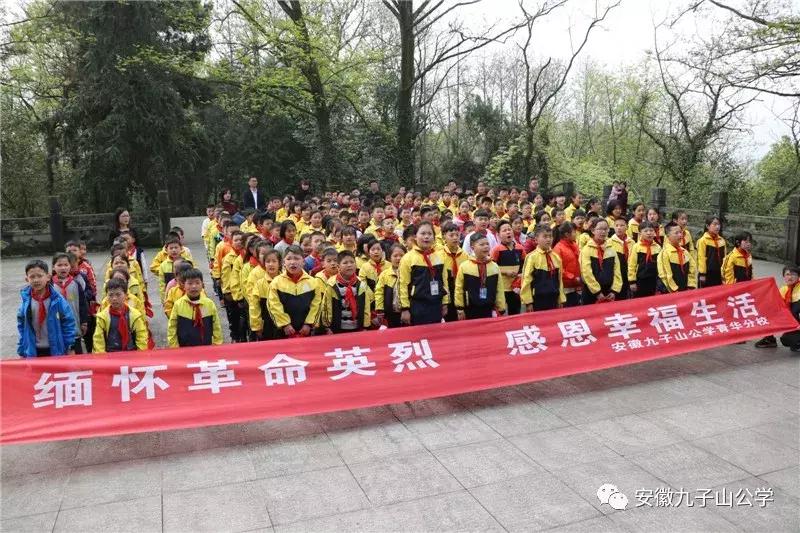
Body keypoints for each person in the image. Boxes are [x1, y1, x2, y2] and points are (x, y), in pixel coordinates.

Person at [17, 259, 77, 357]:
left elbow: (68, 323)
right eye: (32, 277)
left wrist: (70, 347)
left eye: (40, 276)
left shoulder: (58, 300)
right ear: (27, 279)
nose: (36, 280)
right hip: (33, 351)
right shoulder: (26, 301)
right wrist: (22, 349)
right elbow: (21, 326)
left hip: (56, 350)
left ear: (48, 277)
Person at [398, 221, 449, 325]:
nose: (426, 237)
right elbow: (402, 285)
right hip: (417, 305)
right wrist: (405, 309)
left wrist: (445, 303)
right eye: (423, 233)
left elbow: (444, 282)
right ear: (415, 237)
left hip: (436, 304)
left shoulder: (440, 256)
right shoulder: (408, 258)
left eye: (430, 234)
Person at [266, 245, 322, 337]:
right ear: (283, 262)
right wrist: (285, 324)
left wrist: (308, 324)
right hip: (283, 331)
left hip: (306, 330)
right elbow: (273, 305)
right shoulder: (276, 283)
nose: (292, 262)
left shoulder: (313, 282)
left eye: (296, 258)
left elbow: (316, 305)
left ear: (303, 262)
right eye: (288, 259)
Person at [455, 233, 506, 320]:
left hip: (489, 309)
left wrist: (501, 308)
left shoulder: (494, 266)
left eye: (487, 244)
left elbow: (499, 288)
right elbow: (459, 288)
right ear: (472, 247)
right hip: (470, 309)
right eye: (482, 244)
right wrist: (460, 308)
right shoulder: (464, 266)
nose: (486, 247)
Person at [168, 269, 223, 347]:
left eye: (197, 283)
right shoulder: (178, 305)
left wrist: (217, 345)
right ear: (184, 286)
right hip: (184, 348)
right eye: (190, 283)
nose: (194, 286)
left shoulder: (209, 304)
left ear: (202, 285)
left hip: (206, 347)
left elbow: (216, 327)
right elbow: (172, 328)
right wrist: (174, 347)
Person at [322, 250, 373, 334]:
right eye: (345, 263)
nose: (349, 265)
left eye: (352, 262)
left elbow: (366, 306)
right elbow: (327, 307)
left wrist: (366, 326)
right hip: (338, 327)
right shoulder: (332, 284)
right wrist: (327, 327)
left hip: (357, 327)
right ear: (338, 266)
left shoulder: (361, 284)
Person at [93, 278, 149, 353]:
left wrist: (140, 356)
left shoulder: (135, 315)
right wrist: (102, 358)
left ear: (126, 295)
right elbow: (98, 341)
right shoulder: (102, 317)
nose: (114, 298)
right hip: (110, 355)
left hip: (132, 354)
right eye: (110, 295)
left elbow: (141, 339)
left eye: (118, 294)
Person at [754, 265, 800, 352]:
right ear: (784, 276)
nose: (790, 277)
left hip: (797, 322)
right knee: (766, 311)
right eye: (787, 274)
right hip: (791, 321)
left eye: (793, 274)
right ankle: (769, 339)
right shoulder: (784, 289)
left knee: (789, 340)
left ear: (798, 276)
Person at [521, 224, 565, 311]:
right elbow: (526, 280)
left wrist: (561, 298)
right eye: (545, 236)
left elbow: (559, 280)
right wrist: (528, 302)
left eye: (550, 236)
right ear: (536, 239)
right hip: (537, 299)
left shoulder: (556, 257)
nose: (548, 239)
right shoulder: (531, 257)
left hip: (553, 298)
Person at [51, 252, 88, 353]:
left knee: (77, 353)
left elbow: (82, 304)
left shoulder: (76, 284)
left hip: (75, 326)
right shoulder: (50, 286)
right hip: (56, 328)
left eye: (66, 265)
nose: (63, 268)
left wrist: (84, 322)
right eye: (59, 265)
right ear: (53, 267)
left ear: (70, 266)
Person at [580, 219, 622, 304]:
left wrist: (614, 290)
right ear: (593, 230)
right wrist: (597, 292)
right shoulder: (586, 250)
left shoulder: (611, 249)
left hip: (609, 292)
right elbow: (586, 273)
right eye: (600, 229)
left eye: (606, 229)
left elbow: (617, 271)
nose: (603, 232)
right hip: (591, 292)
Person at [491, 220, 525, 315]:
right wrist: (505, 272)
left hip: (515, 288)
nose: (508, 232)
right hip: (502, 288)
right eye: (504, 230)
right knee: (501, 312)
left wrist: (521, 274)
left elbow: (524, 264)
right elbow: (492, 267)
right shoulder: (496, 250)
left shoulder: (520, 248)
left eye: (509, 229)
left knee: (515, 312)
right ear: (498, 235)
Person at [248, 248, 282, 341]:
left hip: (285, 324)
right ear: (264, 264)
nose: (271, 264)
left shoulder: (286, 282)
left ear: (280, 263)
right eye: (268, 261)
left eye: (274, 261)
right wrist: (257, 326)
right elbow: (254, 306)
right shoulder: (259, 284)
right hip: (267, 323)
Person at [440, 222, 468, 322]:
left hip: (461, 290)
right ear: (444, 236)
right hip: (447, 290)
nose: (455, 238)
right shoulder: (440, 254)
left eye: (457, 235)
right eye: (451, 235)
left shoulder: (465, 255)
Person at [657, 223, 697, 293]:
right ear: (668, 236)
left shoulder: (684, 252)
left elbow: (692, 269)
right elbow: (665, 275)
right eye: (676, 233)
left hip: (686, 289)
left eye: (680, 232)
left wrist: (691, 285)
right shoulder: (664, 254)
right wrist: (674, 290)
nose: (680, 235)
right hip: (672, 292)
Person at [221, 230, 246, 342]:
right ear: (231, 242)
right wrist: (227, 292)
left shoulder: (246, 256)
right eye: (236, 240)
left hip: (242, 291)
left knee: (243, 318)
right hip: (231, 293)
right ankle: (235, 337)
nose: (239, 242)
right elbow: (225, 276)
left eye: (241, 240)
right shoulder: (228, 258)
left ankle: (243, 337)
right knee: (234, 317)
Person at [375, 243, 406, 328]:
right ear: (389, 258)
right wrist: (380, 309)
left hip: (407, 312)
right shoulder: (384, 274)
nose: (398, 258)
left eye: (401, 255)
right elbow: (379, 292)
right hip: (391, 313)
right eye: (395, 256)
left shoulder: (409, 272)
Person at [628, 221, 661, 298]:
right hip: (640, 280)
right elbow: (631, 265)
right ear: (640, 234)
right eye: (645, 231)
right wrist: (632, 281)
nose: (649, 233)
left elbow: (660, 265)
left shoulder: (658, 247)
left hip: (653, 280)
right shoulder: (636, 247)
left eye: (651, 230)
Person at [553, 222, 582, 307]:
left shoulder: (574, 245)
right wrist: (573, 278)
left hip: (577, 285)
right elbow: (559, 269)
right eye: (574, 232)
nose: (576, 234)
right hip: (566, 288)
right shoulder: (558, 248)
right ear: (567, 234)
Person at [696, 215, 727, 288]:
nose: (717, 227)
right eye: (714, 224)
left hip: (719, 273)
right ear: (707, 226)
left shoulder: (722, 240)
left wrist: (724, 272)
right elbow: (701, 258)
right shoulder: (703, 241)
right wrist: (702, 274)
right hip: (707, 273)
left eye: (718, 224)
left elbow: (725, 258)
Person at [609, 218, 631, 299]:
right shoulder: (609, 242)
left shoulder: (631, 242)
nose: (619, 228)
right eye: (616, 225)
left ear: (627, 227)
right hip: (616, 276)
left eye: (622, 225)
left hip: (629, 275)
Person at [157, 237, 183, 302]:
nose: (174, 250)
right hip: (170, 298)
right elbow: (162, 284)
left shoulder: (186, 262)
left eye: (176, 247)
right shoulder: (163, 265)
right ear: (166, 250)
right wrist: (164, 299)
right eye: (171, 248)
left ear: (181, 248)